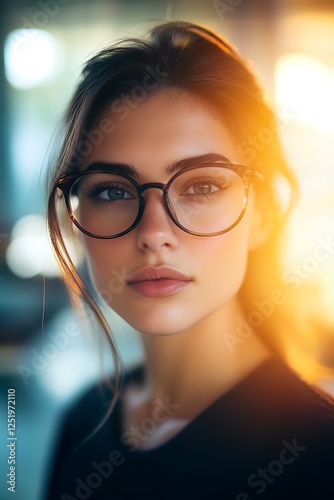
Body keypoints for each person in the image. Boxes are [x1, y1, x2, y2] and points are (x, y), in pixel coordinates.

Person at [46, 21, 334, 500]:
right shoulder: (82, 421)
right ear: (75, 217)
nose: (154, 233)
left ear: (262, 212)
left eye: (202, 185)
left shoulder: (321, 455)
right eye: (112, 190)